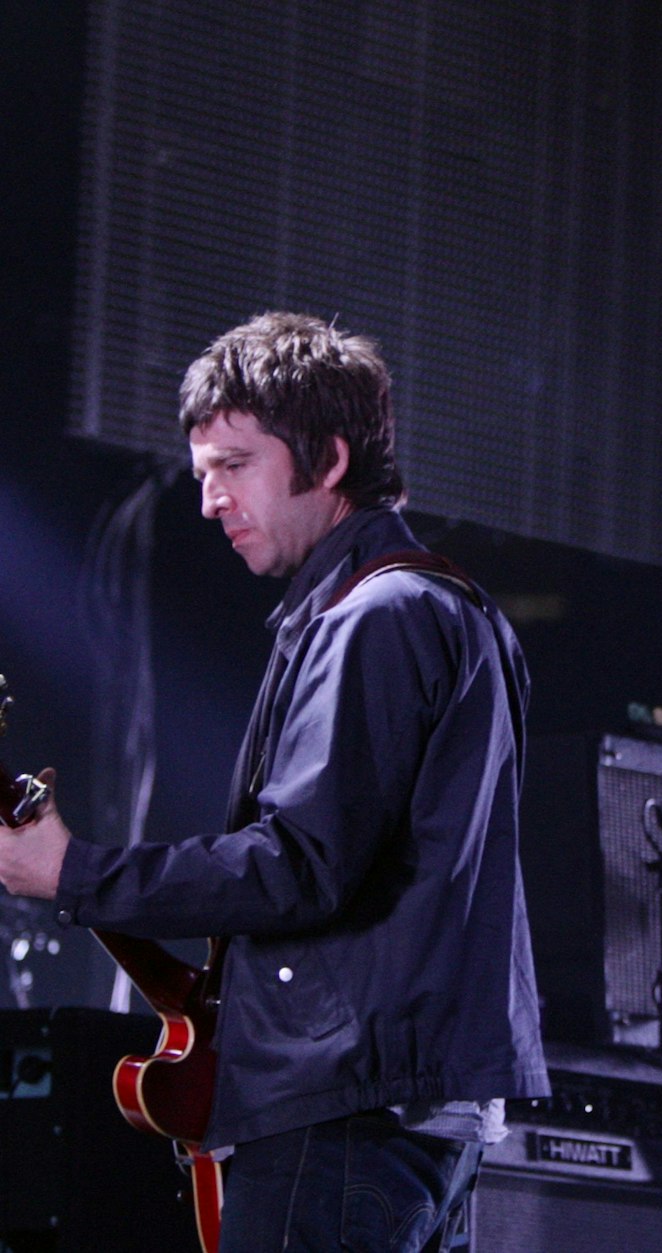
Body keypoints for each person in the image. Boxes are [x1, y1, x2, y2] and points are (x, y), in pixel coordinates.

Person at [0, 312, 548, 1251]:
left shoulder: (377, 617)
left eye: (234, 465)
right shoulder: (443, 607)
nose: (209, 500)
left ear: (329, 459)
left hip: (346, 1115)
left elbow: (297, 866)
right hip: (406, 1108)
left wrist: (75, 871)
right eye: (201, 471)